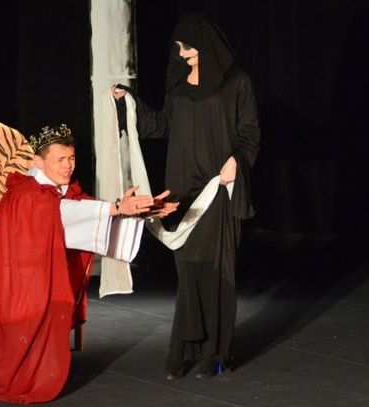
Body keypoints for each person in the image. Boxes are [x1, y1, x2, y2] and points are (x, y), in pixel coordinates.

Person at [0, 124, 177, 403]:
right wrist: (117, 208)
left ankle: (18, 371)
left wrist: (140, 212)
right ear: (38, 161)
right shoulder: (26, 192)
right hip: (13, 276)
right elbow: (61, 212)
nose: (68, 166)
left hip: (38, 275)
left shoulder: (61, 190)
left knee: (26, 338)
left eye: (71, 158)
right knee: (2, 349)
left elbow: (83, 213)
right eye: (60, 159)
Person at [113, 13, 260, 379]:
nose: (182, 53)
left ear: (206, 45)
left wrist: (237, 160)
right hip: (181, 190)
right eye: (178, 47)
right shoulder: (178, 84)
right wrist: (130, 103)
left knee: (216, 271)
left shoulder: (236, 82)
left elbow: (250, 133)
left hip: (216, 188)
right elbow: (163, 125)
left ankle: (214, 351)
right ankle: (188, 346)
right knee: (190, 271)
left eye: (188, 47)